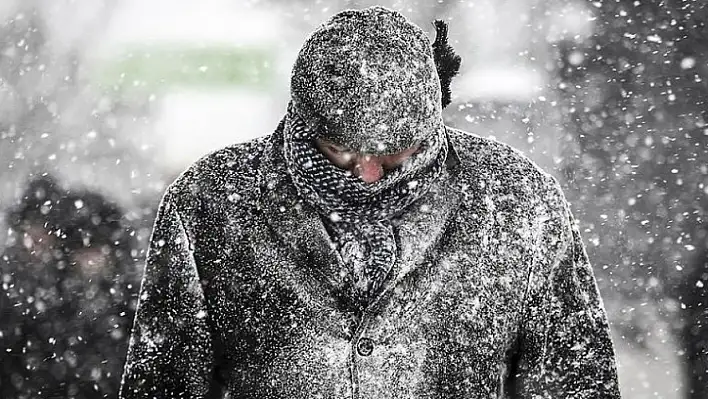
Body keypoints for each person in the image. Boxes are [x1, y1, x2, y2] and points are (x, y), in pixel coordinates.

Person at [120, 6, 621, 398]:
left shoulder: (517, 203)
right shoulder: (213, 203)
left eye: (394, 153)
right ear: (302, 125)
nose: (368, 174)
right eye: (341, 150)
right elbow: (162, 383)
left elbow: (575, 380)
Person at [0, 175, 139, 399]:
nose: (90, 259)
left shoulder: (133, 301)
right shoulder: (49, 304)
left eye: (97, 247)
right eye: (81, 249)